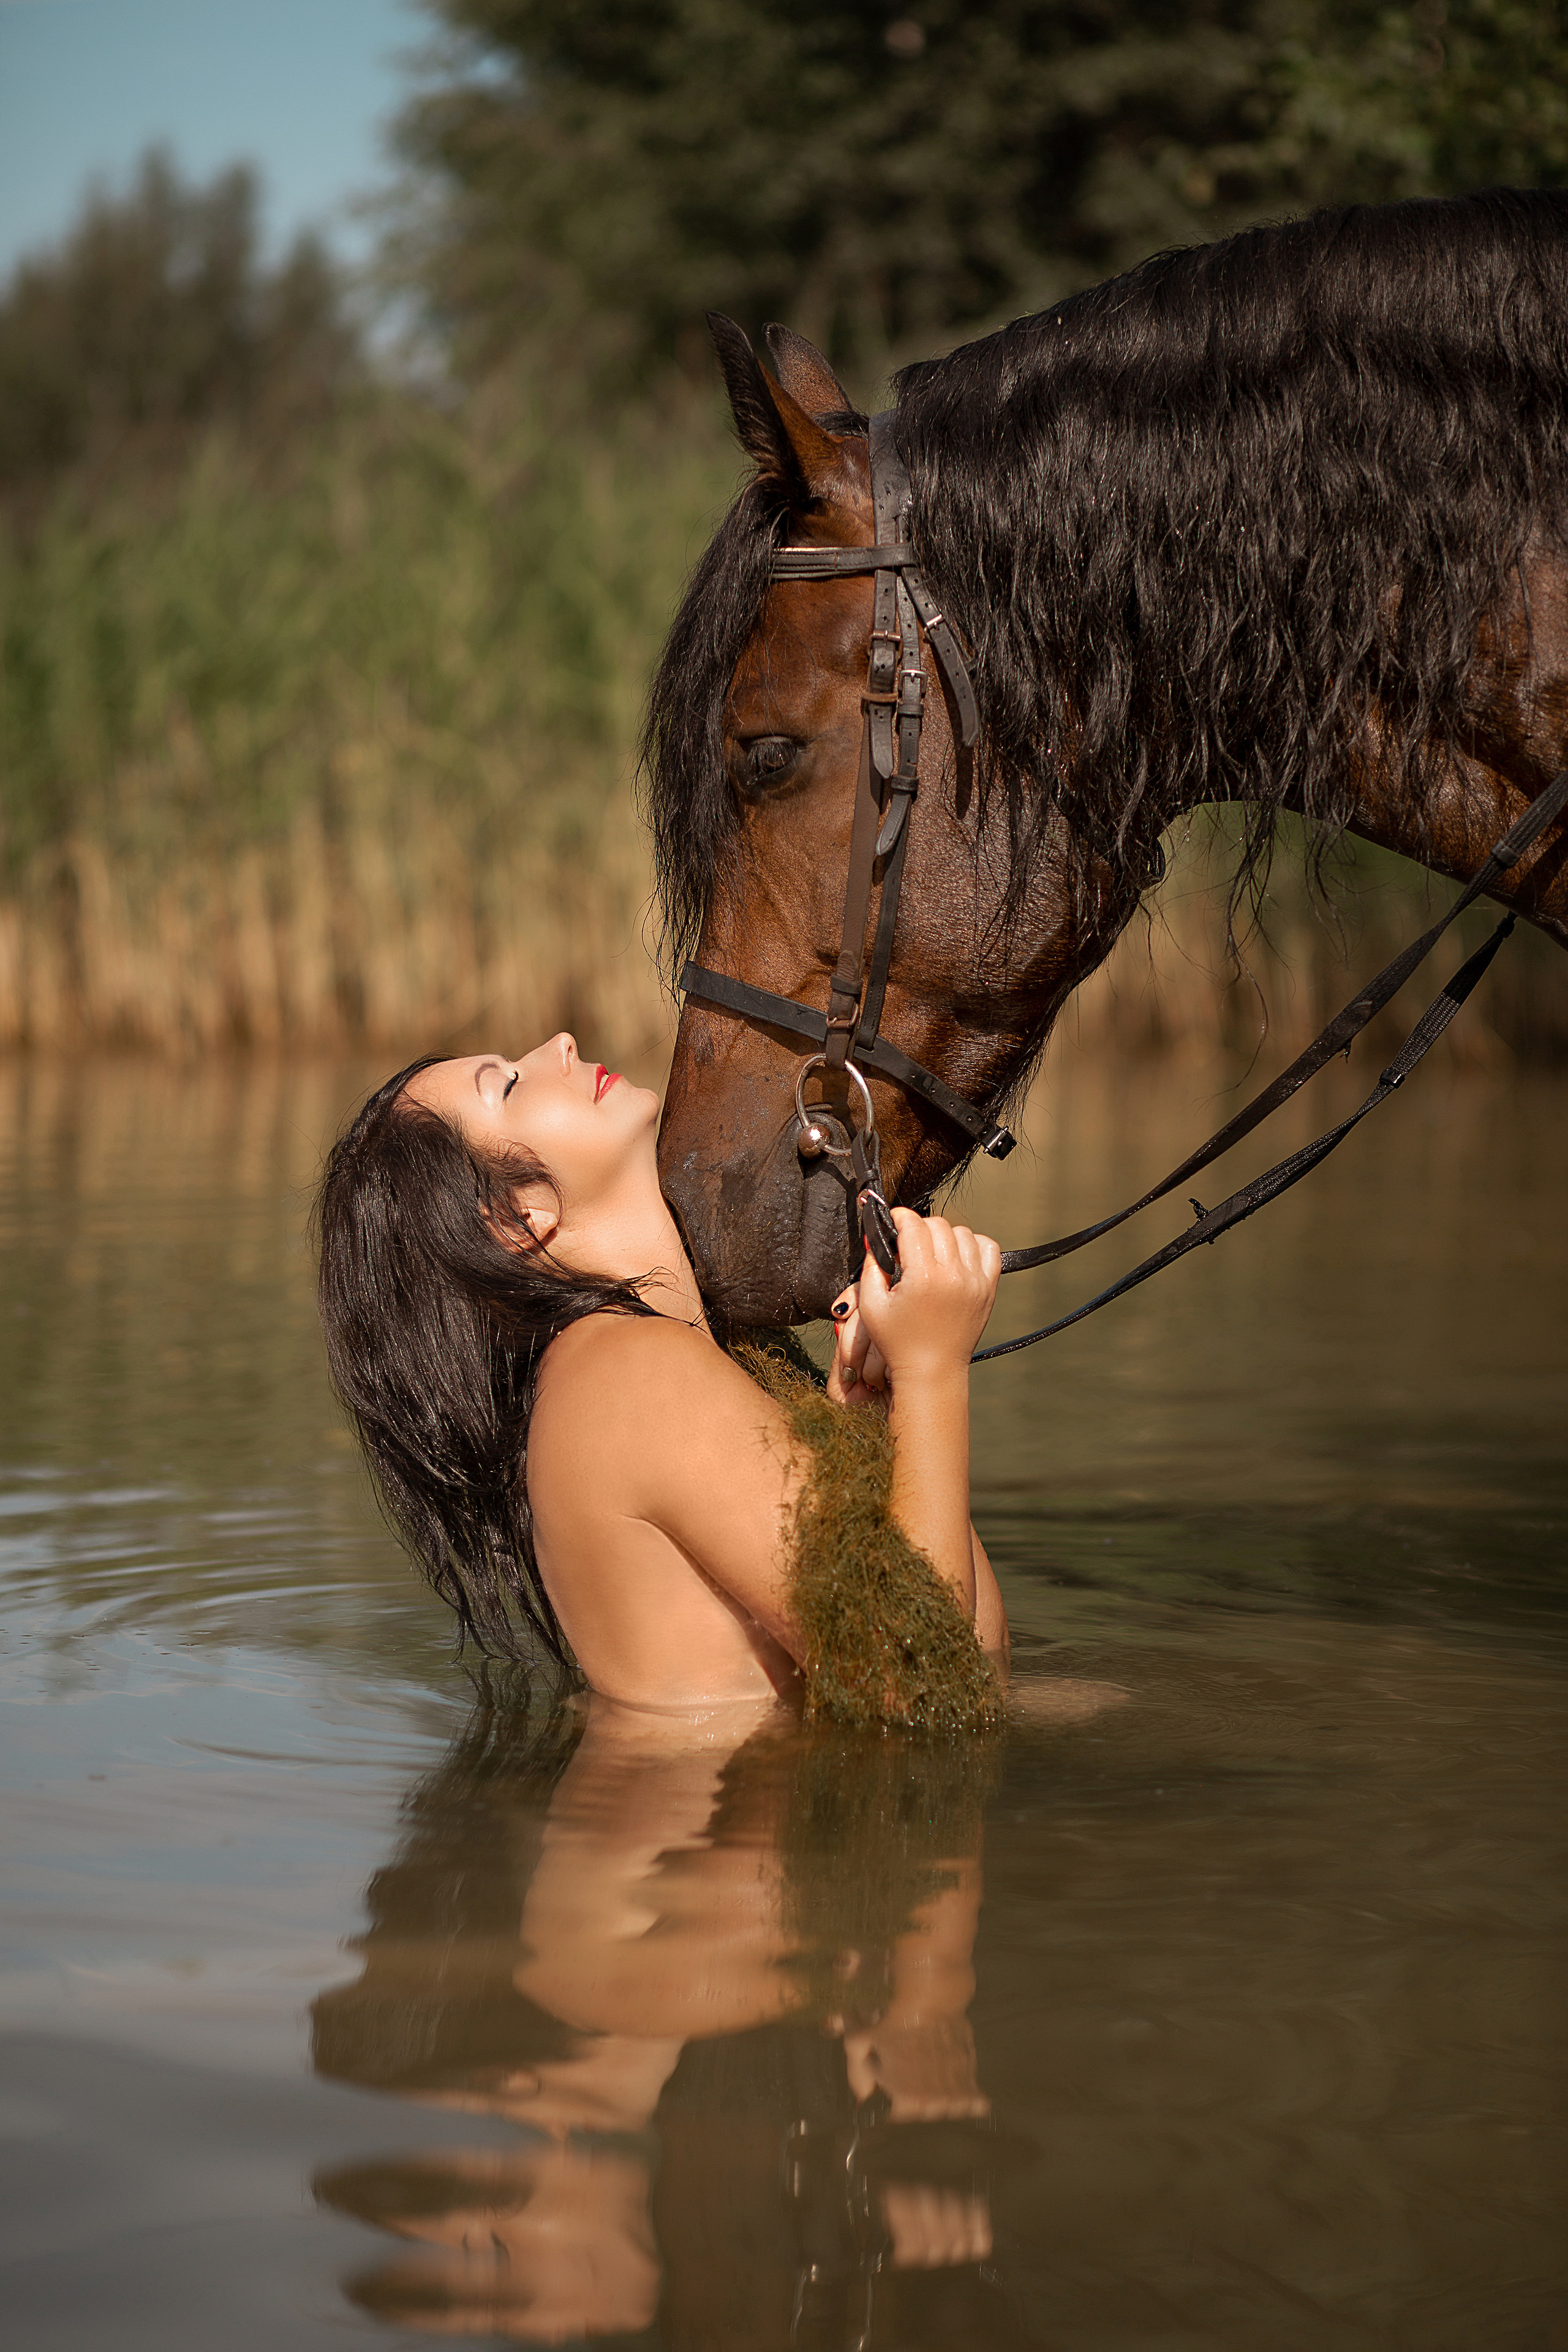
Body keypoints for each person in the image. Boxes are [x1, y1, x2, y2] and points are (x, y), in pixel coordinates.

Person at [314, 1032, 1008, 1708]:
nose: (557, 1043)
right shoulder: (628, 1371)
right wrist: (930, 1370)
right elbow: (916, 1683)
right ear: (514, 1217)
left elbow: (971, 1660)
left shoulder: (660, 1364)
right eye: (508, 1085)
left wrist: (886, 1414)